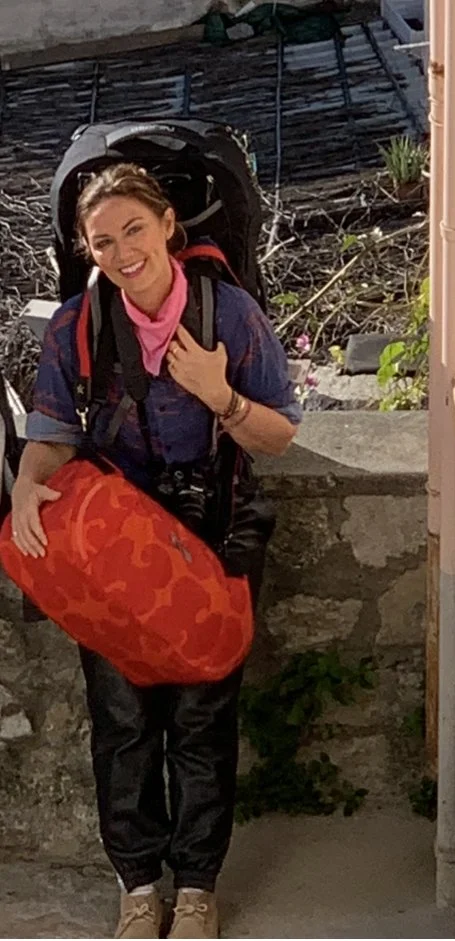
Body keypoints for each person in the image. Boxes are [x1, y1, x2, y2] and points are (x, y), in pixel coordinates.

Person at [11, 163, 302, 940]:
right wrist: (27, 484)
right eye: (102, 241)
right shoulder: (77, 327)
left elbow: (279, 433)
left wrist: (219, 393)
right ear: (86, 249)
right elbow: (52, 433)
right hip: (117, 551)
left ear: (169, 225)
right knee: (123, 718)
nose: (122, 251)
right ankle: (139, 889)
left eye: (134, 228)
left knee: (203, 717)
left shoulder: (228, 314)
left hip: (212, 535)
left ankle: (197, 889)